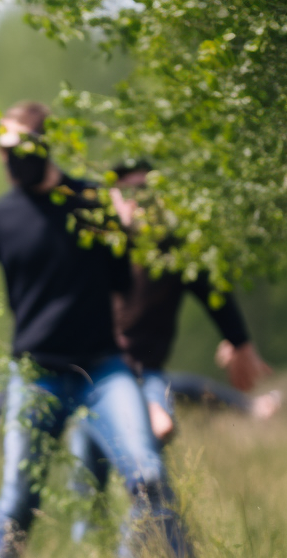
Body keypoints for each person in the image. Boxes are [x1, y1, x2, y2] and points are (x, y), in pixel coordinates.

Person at [0, 101, 191, 558]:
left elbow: (123, 284)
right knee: (17, 502)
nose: (11, 160)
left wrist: (125, 233)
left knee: (147, 475)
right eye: (4, 150)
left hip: (103, 372)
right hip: (35, 376)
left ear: (43, 147)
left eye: (20, 149)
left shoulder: (91, 204)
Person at [68, 162, 276, 533]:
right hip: (91, 376)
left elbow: (214, 292)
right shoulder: (96, 246)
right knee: (88, 486)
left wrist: (239, 342)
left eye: (145, 194)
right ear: (114, 198)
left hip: (145, 374)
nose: (137, 204)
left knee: (148, 471)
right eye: (127, 194)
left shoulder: (174, 252)